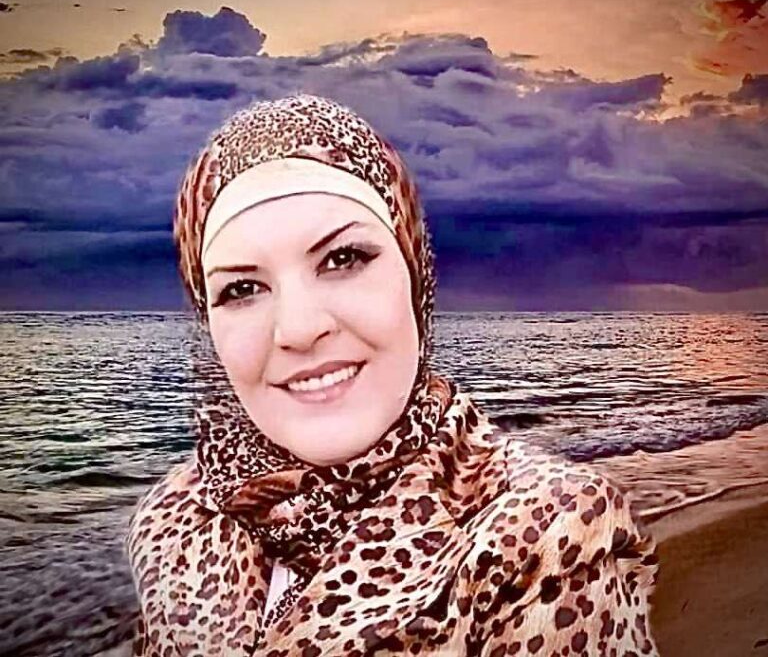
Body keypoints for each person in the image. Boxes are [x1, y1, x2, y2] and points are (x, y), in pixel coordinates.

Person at [126, 94, 659, 656]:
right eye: (241, 289)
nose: (299, 329)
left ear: (414, 272)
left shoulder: (550, 529)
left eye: (343, 259)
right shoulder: (175, 522)